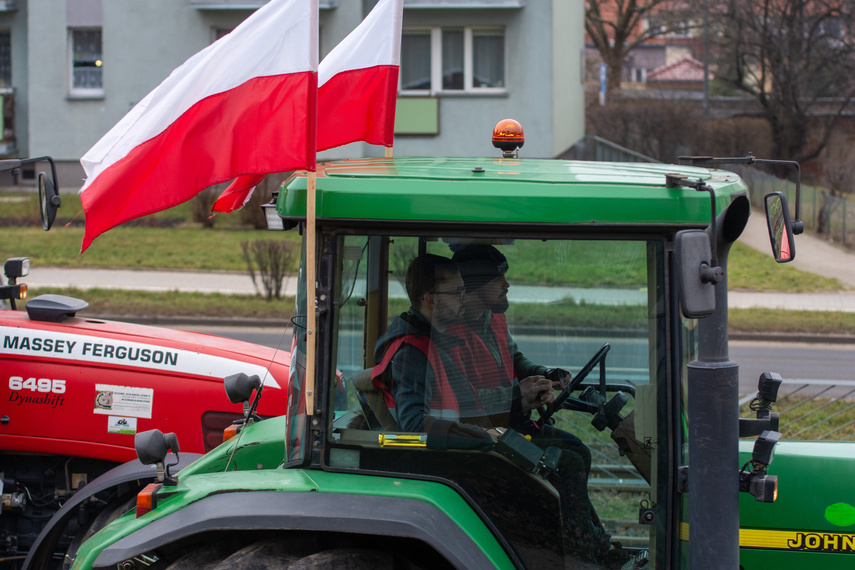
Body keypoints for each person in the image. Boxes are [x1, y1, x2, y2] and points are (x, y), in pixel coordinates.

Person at [372, 253, 617, 566]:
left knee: (572, 455)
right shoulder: (411, 351)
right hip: (459, 459)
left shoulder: (437, 338)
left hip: (479, 440)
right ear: (431, 299)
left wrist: (511, 406)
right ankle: (578, 557)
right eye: (457, 293)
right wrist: (487, 433)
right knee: (565, 462)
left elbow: (463, 401)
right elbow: (414, 426)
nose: (464, 300)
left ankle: (586, 548)